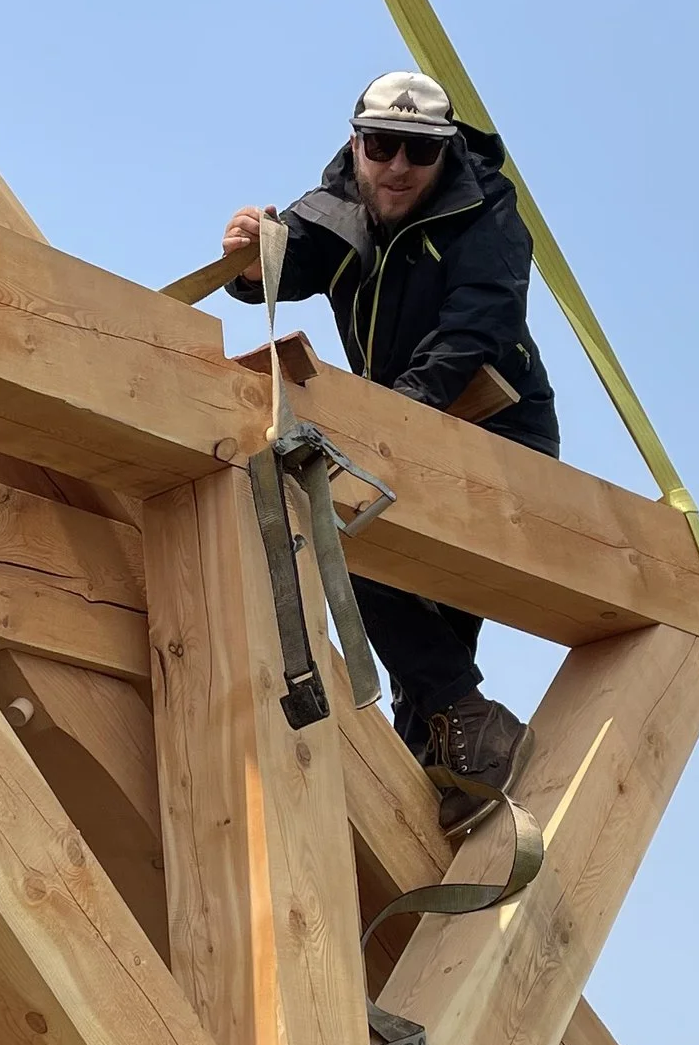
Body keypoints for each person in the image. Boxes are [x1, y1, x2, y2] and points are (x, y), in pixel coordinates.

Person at [224, 70, 558, 830]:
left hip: (496, 430)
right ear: (356, 142)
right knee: (420, 640)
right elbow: (291, 255)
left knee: (357, 538)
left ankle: (459, 728)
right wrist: (251, 264)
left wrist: (389, 417)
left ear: (444, 153)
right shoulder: (341, 204)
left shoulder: (487, 214)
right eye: (382, 146)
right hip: (402, 426)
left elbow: (476, 331)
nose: (398, 166)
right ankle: (448, 764)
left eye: (417, 150)